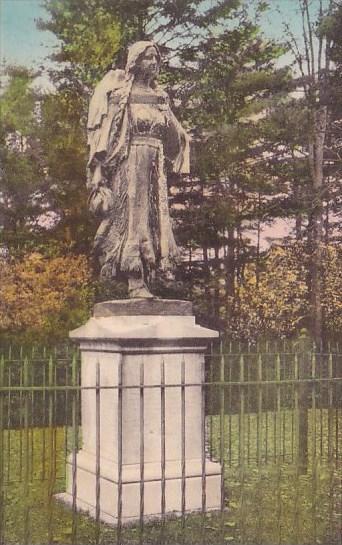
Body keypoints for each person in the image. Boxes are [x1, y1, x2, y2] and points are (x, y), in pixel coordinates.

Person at [87, 41, 190, 298]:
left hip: (155, 166)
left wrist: (170, 117)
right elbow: (106, 136)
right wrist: (100, 172)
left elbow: (174, 139)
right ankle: (135, 280)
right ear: (134, 61)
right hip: (130, 163)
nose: (153, 63)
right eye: (147, 58)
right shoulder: (122, 95)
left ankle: (152, 277)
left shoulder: (160, 98)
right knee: (134, 219)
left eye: (156, 58)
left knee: (157, 219)